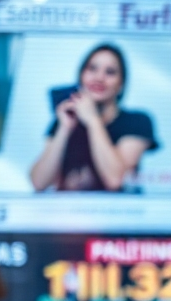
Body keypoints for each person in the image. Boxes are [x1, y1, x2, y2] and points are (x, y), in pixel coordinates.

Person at [29, 44, 159, 192]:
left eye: (110, 72)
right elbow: (39, 183)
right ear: (81, 77)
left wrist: (92, 120)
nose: (99, 77)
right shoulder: (64, 120)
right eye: (92, 69)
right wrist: (64, 128)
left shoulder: (137, 121)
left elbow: (115, 180)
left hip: (118, 213)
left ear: (121, 84)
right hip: (67, 212)